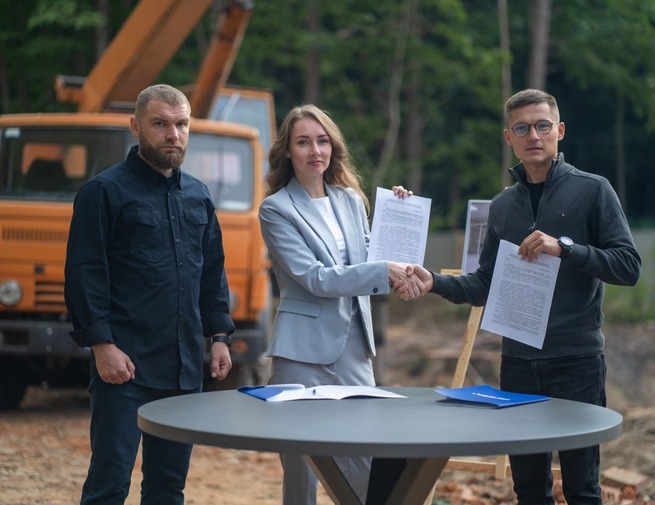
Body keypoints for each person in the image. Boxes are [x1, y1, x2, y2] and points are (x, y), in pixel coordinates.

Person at [399, 89, 641, 504]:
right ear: (508, 137)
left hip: (577, 361)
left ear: (560, 131)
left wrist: (564, 247)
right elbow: (483, 285)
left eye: (543, 126)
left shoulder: (593, 190)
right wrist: (433, 281)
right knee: (528, 489)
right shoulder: (503, 206)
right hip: (517, 364)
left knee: (582, 489)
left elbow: (628, 266)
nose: (534, 135)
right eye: (522, 128)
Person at [64, 84, 235, 505]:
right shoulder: (103, 193)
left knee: (167, 489)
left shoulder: (198, 195)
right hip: (125, 369)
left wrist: (219, 337)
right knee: (108, 487)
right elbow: (85, 274)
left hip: (183, 371)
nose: (173, 134)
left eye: (181, 124)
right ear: (136, 126)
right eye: (160, 124)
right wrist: (102, 346)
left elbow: (211, 273)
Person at [258, 103, 426, 505]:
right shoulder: (275, 208)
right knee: (302, 470)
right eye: (303, 142)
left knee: (363, 455)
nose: (315, 150)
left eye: (322, 141)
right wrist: (382, 269)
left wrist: (398, 214)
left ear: (333, 147)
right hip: (300, 352)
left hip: (355, 348)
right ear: (287, 151)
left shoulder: (350, 200)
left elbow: (372, 259)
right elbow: (315, 278)